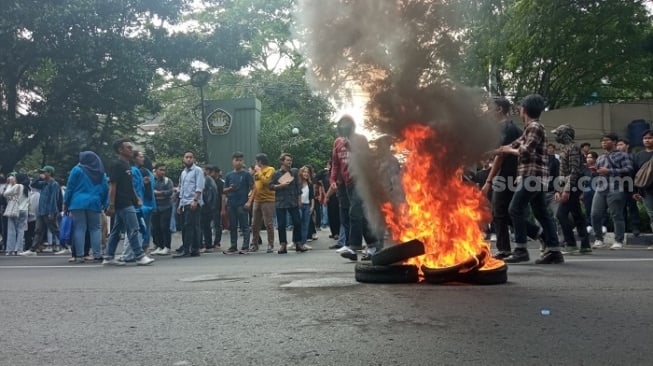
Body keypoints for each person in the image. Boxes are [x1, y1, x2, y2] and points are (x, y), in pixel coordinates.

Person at [498, 94, 563, 264]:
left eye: (520, 108)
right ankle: (554, 251)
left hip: (532, 177)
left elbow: (524, 150)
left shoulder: (535, 127)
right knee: (542, 213)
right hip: (535, 178)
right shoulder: (530, 128)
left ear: (524, 110)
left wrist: (507, 151)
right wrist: (497, 150)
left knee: (514, 209)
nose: (519, 110)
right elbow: (514, 144)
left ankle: (521, 250)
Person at [330, 115, 380, 261]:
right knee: (359, 216)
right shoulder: (337, 142)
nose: (344, 127)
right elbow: (335, 164)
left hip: (361, 180)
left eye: (347, 125)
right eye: (341, 125)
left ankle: (354, 247)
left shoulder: (361, 139)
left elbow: (367, 159)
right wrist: (333, 179)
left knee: (354, 212)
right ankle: (372, 246)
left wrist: (352, 148)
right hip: (347, 184)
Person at [481, 97, 523, 259]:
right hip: (510, 174)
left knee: (499, 211)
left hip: (507, 175)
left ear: (499, 109)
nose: (487, 111)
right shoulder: (507, 128)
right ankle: (538, 233)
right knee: (507, 212)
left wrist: (488, 181)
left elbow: (501, 156)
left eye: (489, 107)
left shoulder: (506, 128)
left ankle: (504, 249)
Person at [103, 138, 155, 266]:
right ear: (120, 150)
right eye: (128, 148)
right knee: (134, 228)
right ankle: (139, 255)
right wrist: (111, 204)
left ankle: (109, 256)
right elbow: (113, 185)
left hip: (128, 200)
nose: (131, 150)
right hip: (122, 202)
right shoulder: (116, 165)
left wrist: (136, 197)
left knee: (116, 230)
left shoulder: (127, 165)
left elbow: (129, 185)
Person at [550, 125, 591, 254]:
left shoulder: (573, 148)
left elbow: (574, 171)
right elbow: (562, 172)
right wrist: (559, 189)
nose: (556, 136)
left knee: (561, 214)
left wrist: (566, 190)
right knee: (577, 214)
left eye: (558, 134)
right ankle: (585, 245)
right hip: (567, 183)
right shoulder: (564, 148)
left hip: (574, 183)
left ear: (565, 134)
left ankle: (571, 243)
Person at [62, 151, 109, 262]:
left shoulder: (77, 170)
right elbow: (105, 189)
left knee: (79, 228)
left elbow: (70, 187)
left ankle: (79, 255)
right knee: (95, 228)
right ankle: (97, 254)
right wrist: (104, 203)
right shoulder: (101, 173)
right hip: (94, 202)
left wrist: (66, 202)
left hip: (77, 202)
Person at [591, 133, 633, 250]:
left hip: (616, 187)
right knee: (595, 214)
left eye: (606, 140)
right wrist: (595, 171)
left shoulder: (623, 155)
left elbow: (629, 169)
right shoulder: (600, 157)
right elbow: (600, 172)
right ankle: (598, 239)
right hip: (600, 188)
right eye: (602, 141)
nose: (603, 143)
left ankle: (618, 240)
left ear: (614, 142)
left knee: (616, 215)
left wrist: (609, 171)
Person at [21, 166, 64, 256]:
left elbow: (53, 199)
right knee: (38, 230)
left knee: (54, 229)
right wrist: (38, 178)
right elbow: (33, 184)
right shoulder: (44, 183)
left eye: (44, 172)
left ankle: (66, 246)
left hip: (49, 211)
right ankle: (33, 249)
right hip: (41, 210)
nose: (43, 174)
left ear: (49, 173)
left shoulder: (54, 184)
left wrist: (52, 212)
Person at [270, 153, 306, 254]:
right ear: (282, 161)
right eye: (287, 160)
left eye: (290, 160)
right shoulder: (276, 173)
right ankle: (283, 244)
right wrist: (279, 186)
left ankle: (298, 243)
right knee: (281, 224)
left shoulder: (294, 172)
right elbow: (270, 186)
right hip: (280, 202)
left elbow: (298, 186)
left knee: (297, 222)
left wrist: (299, 200)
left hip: (292, 201)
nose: (289, 162)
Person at [174, 150, 205, 258]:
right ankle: (192, 249)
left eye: (191, 157)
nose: (188, 159)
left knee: (191, 226)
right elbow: (181, 189)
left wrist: (195, 200)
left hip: (193, 202)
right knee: (187, 226)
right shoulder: (183, 173)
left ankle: (190, 249)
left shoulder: (198, 171)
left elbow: (199, 186)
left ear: (194, 159)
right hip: (185, 202)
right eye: (186, 157)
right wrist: (180, 204)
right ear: (183, 159)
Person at [222, 151, 253, 254]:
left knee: (244, 226)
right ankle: (233, 246)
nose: (238, 162)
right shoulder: (229, 175)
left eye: (240, 160)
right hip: (231, 203)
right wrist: (230, 188)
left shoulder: (246, 174)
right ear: (232, 161)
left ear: (243, 161)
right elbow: (223, 190)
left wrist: (249, 201)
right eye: (236, 160)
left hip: (242, 203)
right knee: (233, 226)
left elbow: (254, 188)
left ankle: (245, 247)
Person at [632, 129, 653, 250]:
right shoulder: (639, 155)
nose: (647, 140)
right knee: (652, 215)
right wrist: (635, 191)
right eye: (645, 138)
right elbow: (635, 174)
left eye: (650, 138)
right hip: (647, 190)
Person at [251, 153, 276, 253]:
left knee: (268, 223)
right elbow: (255, 183)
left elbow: (266, 181)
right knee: (254, 224)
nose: (256, 163)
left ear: (260, 161)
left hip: (268, 199)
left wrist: (259, 171)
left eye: (257, 161)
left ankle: (270, 244)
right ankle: (255, 244)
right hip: (257, 199)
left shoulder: (270, 169)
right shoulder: (257, 171)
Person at [616, 138, 640, 237]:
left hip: (631, 185)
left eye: (621, 144)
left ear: (627, 146)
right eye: (617, 145)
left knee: (632, 207)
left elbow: (636, 172)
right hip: (618, 186)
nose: (618, 147)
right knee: (620, 209)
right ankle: (623, 228)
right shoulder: (615, 158)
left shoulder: (633, 157)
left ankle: (635, 227)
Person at [3, 174, 30, 256]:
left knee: (12, 229)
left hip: (15, 210)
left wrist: (10, 185)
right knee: (21, 230)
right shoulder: (27, 188)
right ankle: (19, 249)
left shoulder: (17, 186)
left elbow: (5, 194)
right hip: (24, 210)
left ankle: (10, 249)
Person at [150, 163, 174, 255]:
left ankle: (167, 247)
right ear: (155, 170)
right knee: (156, 228)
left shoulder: (168, 181)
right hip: (155, 207)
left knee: (165, 227)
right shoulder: (152, 180)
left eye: (164, 170)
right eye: (161, 170)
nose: (163, 172)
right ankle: (159, 246)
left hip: (166, 207)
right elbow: (150, 192)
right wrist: (159, 194)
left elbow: (169, 192)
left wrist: (158, 193)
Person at [199, 164, 217, 253]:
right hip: (207, 206)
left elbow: (210, 194)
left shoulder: (208, 180)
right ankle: (207, 244)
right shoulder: (208, 179)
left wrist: (207, 205)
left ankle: (208, 245)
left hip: (206, 207)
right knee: (205, 226)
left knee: (205, 226)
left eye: (203, 170)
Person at [298, 166, 315, 248]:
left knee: (305, 225)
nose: (306, 174)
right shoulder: (298, 183)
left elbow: (312, 196)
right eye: (304, 172)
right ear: (301, 173)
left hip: (307, 205)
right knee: (298, 223)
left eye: (307, 172)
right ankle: (296, 241)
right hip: (299, 205)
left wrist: (312, 206)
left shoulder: (310, 184)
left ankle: (303, 242)